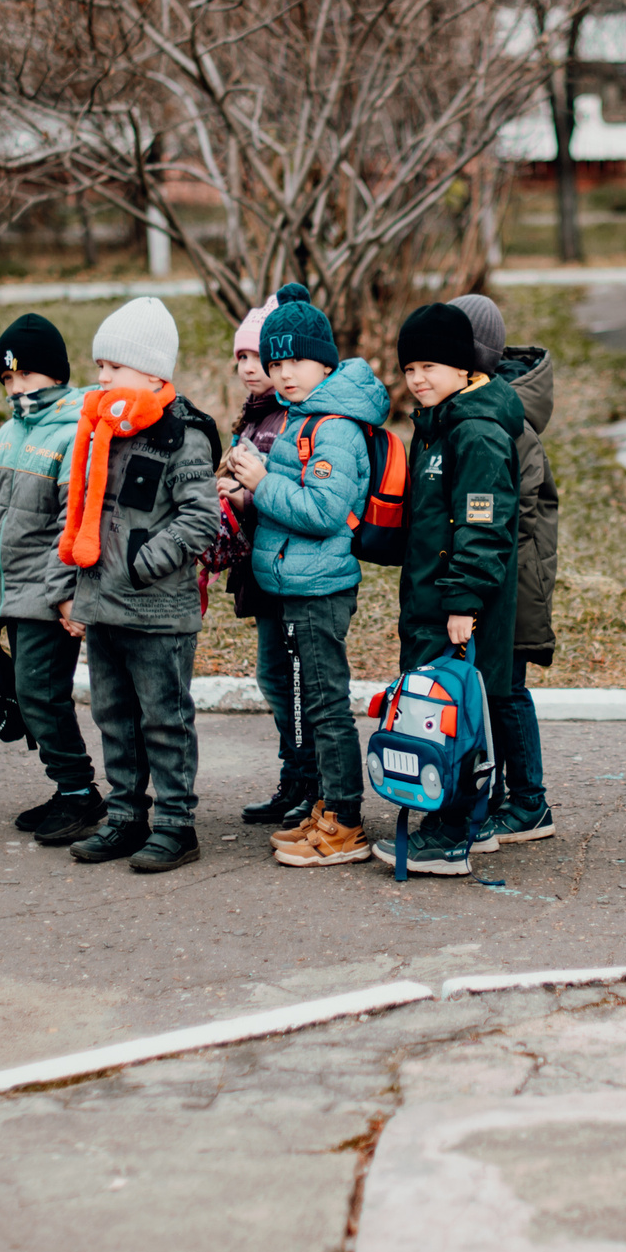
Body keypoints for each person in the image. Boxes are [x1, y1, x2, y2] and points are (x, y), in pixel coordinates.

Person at [221, 284, 392, 868]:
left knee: (325, 706)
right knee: (311, 703)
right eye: (275, 361)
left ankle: (344, 824)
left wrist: (260, 480)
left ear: (325, 359)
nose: (283, 372)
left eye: (296, 360)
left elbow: (322, 513)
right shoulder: (304, 417)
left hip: (320, 588)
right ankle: (324, 807)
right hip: (294, 584)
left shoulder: (335, 426)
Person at [55, 296, 223, 872]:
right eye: (99, 367)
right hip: (104, 607)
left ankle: (177, 826)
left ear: (154, 374)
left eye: (115, 368)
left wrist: (143, 563)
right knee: (114, 719)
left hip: (159, 613)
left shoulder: (184, 436)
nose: (101, 378)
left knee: (164, 721)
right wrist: (77, 588)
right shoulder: (99, 430)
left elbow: (201, 518)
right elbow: (79, 510)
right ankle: (125, 817)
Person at [390, 301, 525, 877]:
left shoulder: (474, 432)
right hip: (432, 602)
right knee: (443, 713)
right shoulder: (439, 422)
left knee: (456, 718)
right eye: (409, 368)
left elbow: (482, 522)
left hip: (460, 607)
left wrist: (463, 600)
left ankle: (453, 835)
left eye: (431, 366)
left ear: (464, 367)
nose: (418, 379)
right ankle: (453, 819)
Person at [0, 313, 102, 848]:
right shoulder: (9, 433)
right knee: (28, 697)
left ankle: (78, 791)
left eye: (26, 375)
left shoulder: (74, 430)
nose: (17, 387)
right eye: (7, 379)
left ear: (55, 373)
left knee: (40, 694)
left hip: (47, 596)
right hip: (11, 591)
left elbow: (70, 520)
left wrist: (64, 592)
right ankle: (66, 786)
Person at [449, 294, 561, 851]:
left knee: (507, 689)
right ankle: (493, 793)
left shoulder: (505, 422)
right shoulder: (474, 410)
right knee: (487, 690)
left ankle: (530, 801)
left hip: (512, 581)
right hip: (492, 574)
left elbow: (505, 512)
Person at [223, 293, 319, 830]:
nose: (251, 368)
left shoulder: (295, 416)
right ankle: (294, 776)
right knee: (274, 676)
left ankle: (310, 781)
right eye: (242, 358)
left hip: (292, 567)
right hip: (260, 566)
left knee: (295, 680)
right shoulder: (254, 415)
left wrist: (247, 492)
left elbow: (296, 496)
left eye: (262, 357)